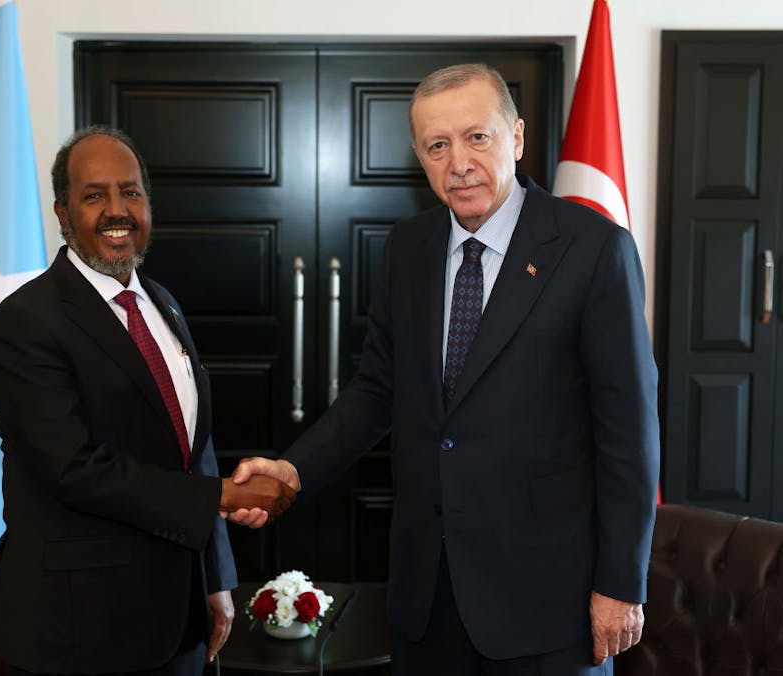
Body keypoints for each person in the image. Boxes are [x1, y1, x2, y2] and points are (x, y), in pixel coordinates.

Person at [228, 64, 659, 675]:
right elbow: (377, 390)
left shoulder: (593, 250)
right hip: (426, 600)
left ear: (516, 137)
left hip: (548, 606)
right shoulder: (407, 249)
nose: (458, 162)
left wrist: (621, 582)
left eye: (476, 137)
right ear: (420, 158)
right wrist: (293, 470)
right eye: (437, 145)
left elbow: (629, 431)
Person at [0, 125, 295, 676]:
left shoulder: (161, 304)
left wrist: (214, 580)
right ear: (63, 213)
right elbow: (73, 470)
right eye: (95, 195)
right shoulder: (24, 322)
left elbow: (193, 448)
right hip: (78, 631)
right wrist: (220, 497)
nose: (117, 210)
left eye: (131, 192)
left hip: (180, 619)